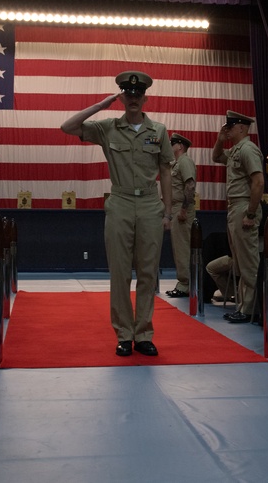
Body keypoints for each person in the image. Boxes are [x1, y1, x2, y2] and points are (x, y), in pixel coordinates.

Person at [61, 71, 174, 356]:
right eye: (128, 94)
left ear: (145, 98)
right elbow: (67, 126)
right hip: (120, 202)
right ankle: (124, 334)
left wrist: (168, 212)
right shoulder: (108, 127)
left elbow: (166, 171)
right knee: (120, 273)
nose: (134, 98)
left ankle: (144, 333)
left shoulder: (158, 131)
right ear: (122, 97)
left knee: (148, 272)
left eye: (138, 95)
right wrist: (101, 105)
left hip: (150, 204)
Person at [212, 110, 264, 324]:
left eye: (231, 126)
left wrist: (250, 213)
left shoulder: (248, 150)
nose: (228, 129)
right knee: (241, 262)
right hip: (235, 207)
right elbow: (216, 157)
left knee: (248, 262)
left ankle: (251, 309)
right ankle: (244, 305)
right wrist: (219, 140)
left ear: (242, 127)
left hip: (244, 206)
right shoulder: (236, 150)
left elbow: (258, 182)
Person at [165, 132, 197, 299]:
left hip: (182, 209)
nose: (170, 147)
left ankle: (185, 284)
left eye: (172, 144)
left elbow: (190, 185)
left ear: (179, 146)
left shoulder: (184, 161)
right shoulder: (177, 163)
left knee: (183, 247)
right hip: (177, 208)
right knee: (179, 247)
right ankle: (185, 282)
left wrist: (184, 208)